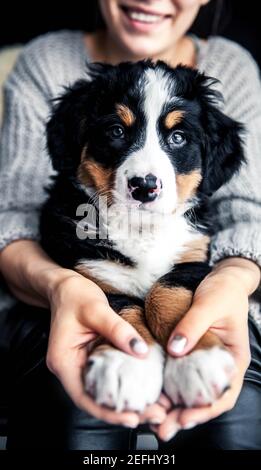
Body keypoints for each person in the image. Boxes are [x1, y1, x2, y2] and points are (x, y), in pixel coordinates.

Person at [0, 0, 260, 450]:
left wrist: (233, 281)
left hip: (210, 293)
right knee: (75, 417)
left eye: (177, 137)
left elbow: (246, 216)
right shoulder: (47, 64)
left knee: (232, 423)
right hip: (54, 297)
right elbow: (14, 219)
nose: (146, 173)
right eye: (118, 132)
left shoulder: (231, 66)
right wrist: (64, 287)